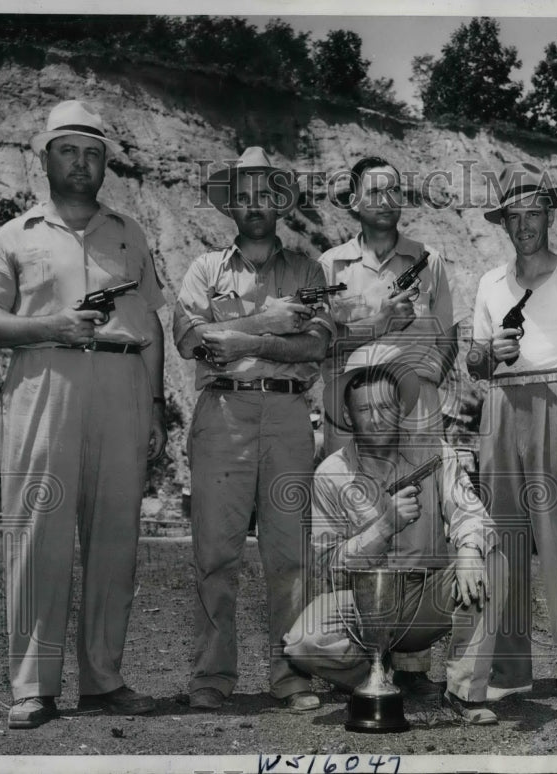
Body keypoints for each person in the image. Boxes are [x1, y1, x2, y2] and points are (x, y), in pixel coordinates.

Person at [0, 100, 166, 729]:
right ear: (45, 157)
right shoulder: (16, 233)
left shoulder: (130, 232)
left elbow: (152, 324)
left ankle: (104, 680)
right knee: (38, 536)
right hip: (45, 381)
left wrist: (155, 406)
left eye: (93, 153)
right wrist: (47, 323)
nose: (81, 163)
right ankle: (33, 685)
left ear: (106, 163)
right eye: (68, 151)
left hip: (123, 386)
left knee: (115, 542)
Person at [173, 147, 334, 713]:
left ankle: (290, 673)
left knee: (288, 554)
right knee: (215, 553)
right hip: (222, 417)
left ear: (282, 202)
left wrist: (240, 339)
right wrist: (265, 323)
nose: (255, 204)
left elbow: (316, 344)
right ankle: (212, 676)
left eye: (266, 193)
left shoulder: (308, 270)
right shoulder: (204, 269)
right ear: (231, 207)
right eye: (244, 196)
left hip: (289, 417)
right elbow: (192, 341)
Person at [283, 362, 509, 725]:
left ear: (401, 409)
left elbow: (473, 513)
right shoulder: (330, 474)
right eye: (364, 409)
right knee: (303, 642)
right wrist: (383, 527)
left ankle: (463, 693)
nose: (377, 419)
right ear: (346, 415)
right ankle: (376, 681)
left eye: (386, 407)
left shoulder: (435, 453)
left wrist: (468, 551)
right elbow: (329, 565)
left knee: (492, 559)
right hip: (363, 603)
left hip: (427, 600)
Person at [467, 161, 557, 710]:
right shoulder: (487, 283)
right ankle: (510, 668)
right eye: (514, 216)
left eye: (534, 212)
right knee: (502, 542)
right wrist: (489, 355)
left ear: (549, 212)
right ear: (502, 222)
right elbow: (473, 360)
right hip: (501, 406)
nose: (525, 224)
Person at [316, 156, 463, 694]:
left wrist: (431, 378)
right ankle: (357, 657)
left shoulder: (431, 260)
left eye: (394, 189)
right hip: (354, 415)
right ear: (353, 200)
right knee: (357, 523)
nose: (385, 198)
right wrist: (378, 324)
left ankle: (413, 658)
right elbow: (320, 344)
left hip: (415, 417)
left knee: (421, 529)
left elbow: (449, 335)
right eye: (373, 190)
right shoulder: (329, 267)